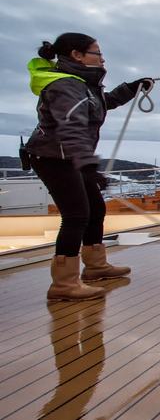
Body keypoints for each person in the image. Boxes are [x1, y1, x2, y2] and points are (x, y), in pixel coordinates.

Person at [25, 33, 153, 301]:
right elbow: (71, 129)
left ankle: (95, 267)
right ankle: (64, 283)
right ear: (77, 55)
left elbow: (101, 104)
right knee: (75, 215)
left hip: (68, 156)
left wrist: (131, 88)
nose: (102, 57)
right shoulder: (66, 86)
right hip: (55, 158)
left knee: (95, 207)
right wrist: (87, 166)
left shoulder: (81, 84)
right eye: (97, 52)